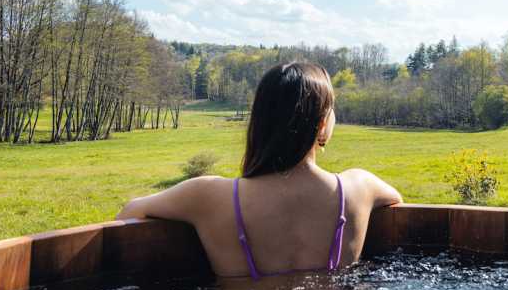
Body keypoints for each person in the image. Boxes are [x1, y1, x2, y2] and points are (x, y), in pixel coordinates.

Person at [117, 61, 403, 278]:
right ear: (321, 125)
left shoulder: (208, 196)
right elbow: (396, 203)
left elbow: (130, 212)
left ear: (260, 123)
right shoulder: (358, 188)